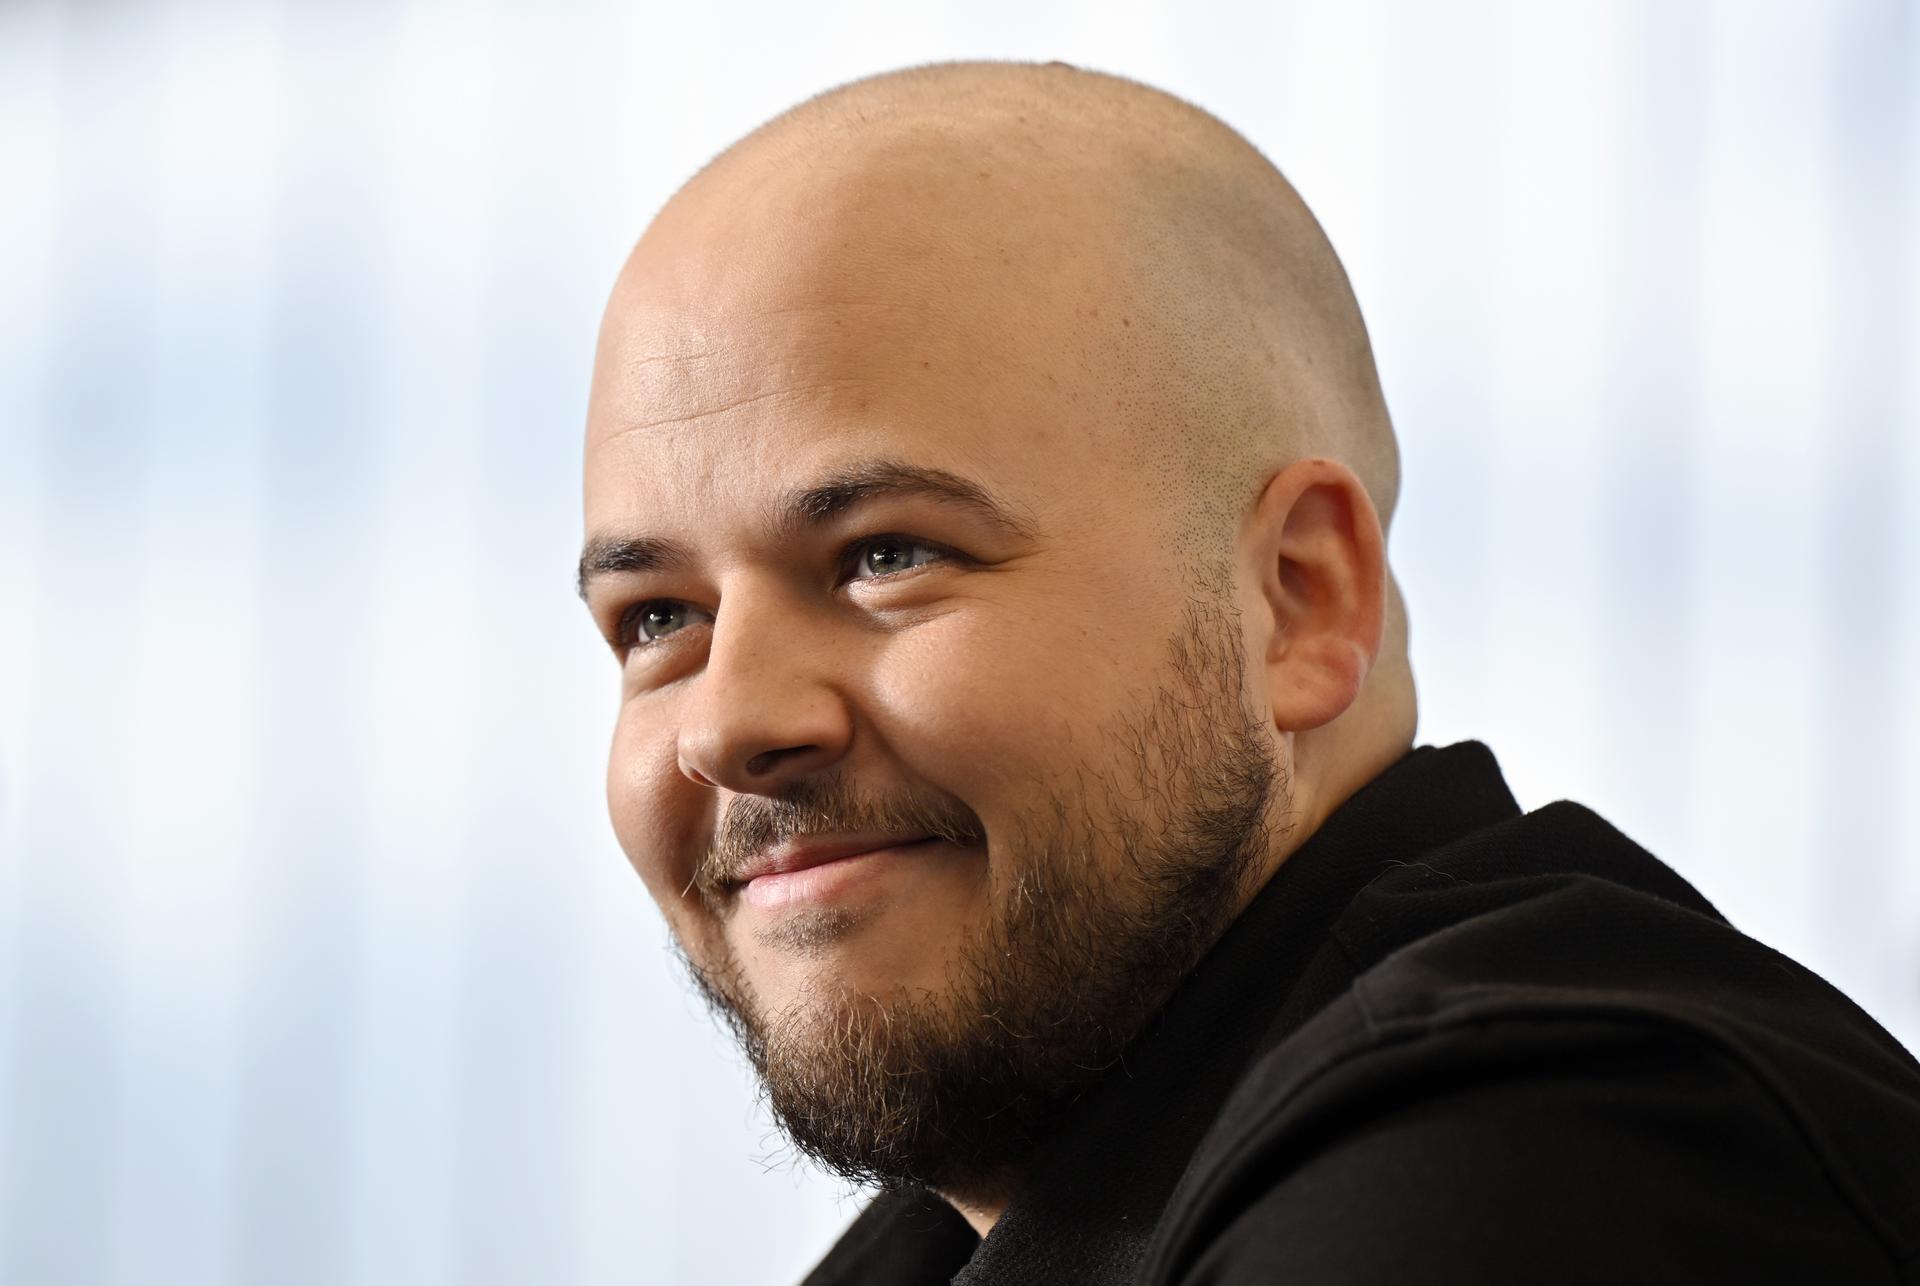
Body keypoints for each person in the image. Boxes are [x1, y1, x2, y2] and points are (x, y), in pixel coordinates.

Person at [576, 60, 1920, 1284]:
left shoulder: (1528, 1164)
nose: (730, 723)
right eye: (657, 619)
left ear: (1297, 598)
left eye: (887, 555)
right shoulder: (965, 1239)